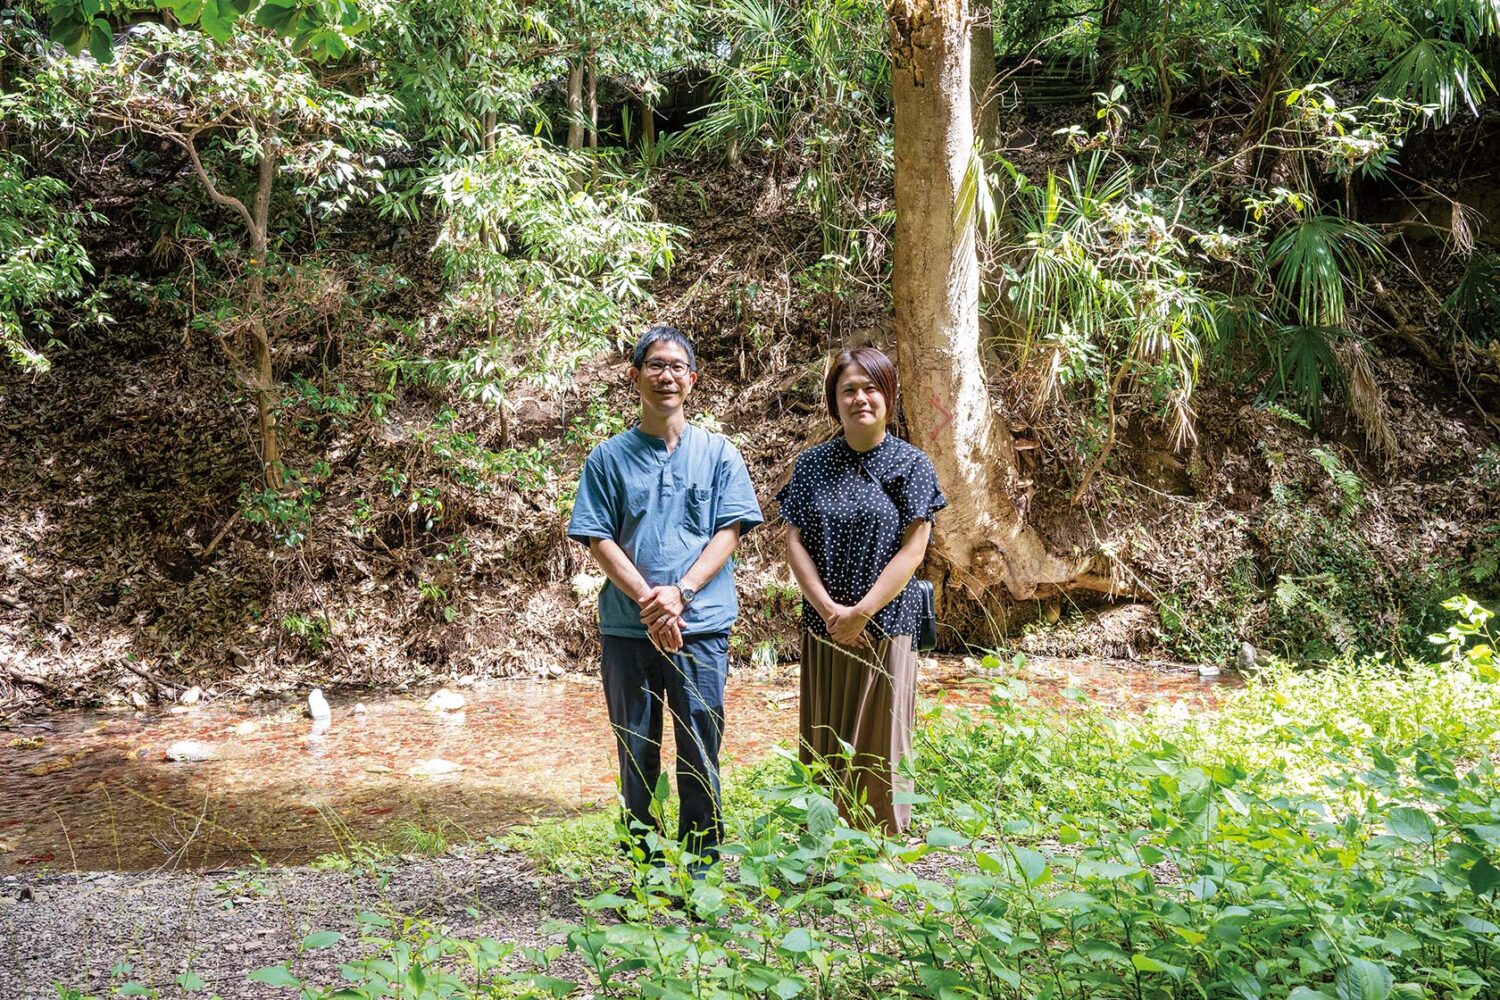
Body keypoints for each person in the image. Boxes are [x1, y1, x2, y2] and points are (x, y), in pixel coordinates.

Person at [567, 325, 764, 869]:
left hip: (701, 627)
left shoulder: (718, 453)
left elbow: (729, 531)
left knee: (700, 750)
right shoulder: (607, 458)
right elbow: (597, 537)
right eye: (655, 365)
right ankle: (647, 873)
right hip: (628, 631)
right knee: (637, 752)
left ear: (692, 379)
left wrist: (680, 593)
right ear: (635, 377)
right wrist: (651, 605)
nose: (666, 376)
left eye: (677, 366)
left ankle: (701, 869)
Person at [775, 346, 946, 836]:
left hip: (885, 624)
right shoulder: (811, 466)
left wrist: (863, 611)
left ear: (888, 395)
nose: (860, 398)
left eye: (870, 387)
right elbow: (795, 542)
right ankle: (824, 845)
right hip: (825, 623)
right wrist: (830, 609)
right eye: (848, 389)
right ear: (834, 401)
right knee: (824, 736)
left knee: (881, 740)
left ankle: (879, 853)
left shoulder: (910, 466)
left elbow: (914, 549)